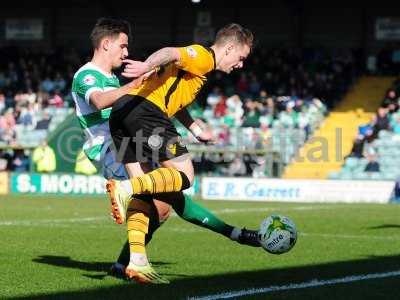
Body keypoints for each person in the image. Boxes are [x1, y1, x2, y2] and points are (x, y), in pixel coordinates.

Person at [73, 19, 258, 283]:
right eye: (241, 57)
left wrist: (194, 127)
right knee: (184, 177)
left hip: (123, 123)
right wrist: (145, 69)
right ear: (229, 49)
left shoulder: (190, 74)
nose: (240, 64)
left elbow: (174, 101)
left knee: (156, 202)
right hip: (127, 130)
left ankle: (131, 263)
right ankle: (126, 194)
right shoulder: (204, 57)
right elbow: (171, 52)